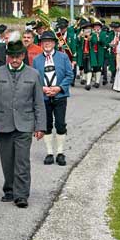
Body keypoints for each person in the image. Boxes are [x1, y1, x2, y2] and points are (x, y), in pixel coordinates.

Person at [0, 37, 46, 208]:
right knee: (7, 160)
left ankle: (21, 195)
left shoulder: (33, 74)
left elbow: (39, 102)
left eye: (18, 56)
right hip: (3, 123)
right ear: (7, 57)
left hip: (25, 124)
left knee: (22, 161)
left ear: (23, 56)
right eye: (12, 56)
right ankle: (9, 190)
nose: (15, 60)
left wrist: (40, 126)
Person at [31, 30, 73, 166]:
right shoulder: (37, 60)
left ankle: (60, 152)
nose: (47, 44)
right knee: (47, 125)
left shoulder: (63, 57)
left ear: (54, 43)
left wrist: (59, 88)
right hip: (44, 97)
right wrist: (42, 88)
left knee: (60, 124)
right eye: (44, 42)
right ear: (41, 44)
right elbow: (34, 78)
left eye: (49, 41)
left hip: (60, 96)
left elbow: (69, 75)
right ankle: (49, 153)